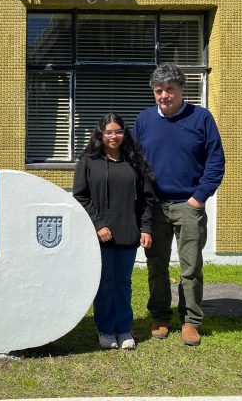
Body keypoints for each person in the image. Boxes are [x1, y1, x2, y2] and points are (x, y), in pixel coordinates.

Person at [133, 63, 225, 346]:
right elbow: (135, 161)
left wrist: (198, 197)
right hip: (155, 206)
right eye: (159, 90)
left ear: (182, 89)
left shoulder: (202, 118)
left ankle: (190, 321)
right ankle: (160, 317)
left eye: (170, 89)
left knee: (191, 266)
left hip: (188, 204)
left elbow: (215, 161)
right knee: (156, 264)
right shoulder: (144, 120)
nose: (164, 95)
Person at [73, 113, 156, 350]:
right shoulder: (89, 161)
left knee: (123, 283)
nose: (113, 136)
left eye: (118, 131)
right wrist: (99, 225)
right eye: (108, 132)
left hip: (129, 232)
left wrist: (146, 227)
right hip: (101, 235)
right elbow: (80, 196)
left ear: (124, 133)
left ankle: (124, 328)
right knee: (105, 282)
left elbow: (148, 199)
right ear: (100, 134)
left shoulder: (135, 161)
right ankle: (106, 329)